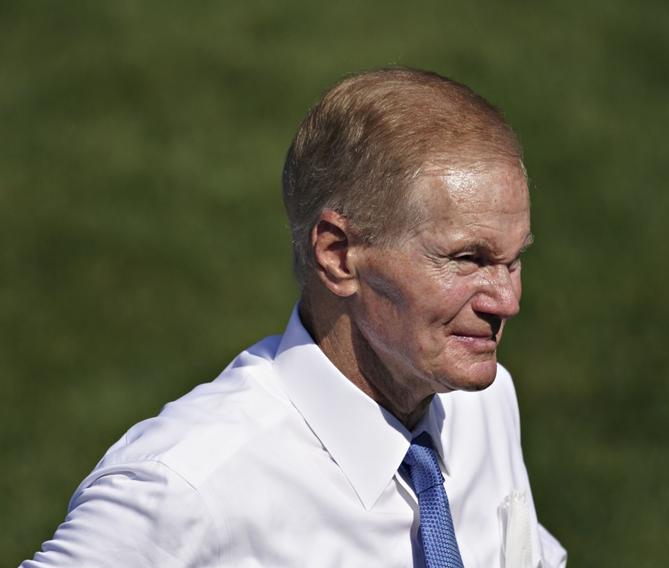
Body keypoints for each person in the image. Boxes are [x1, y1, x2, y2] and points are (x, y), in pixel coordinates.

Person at [23, 67, 567, 567]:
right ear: (337, 255)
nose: (506, 301)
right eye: (467, 259)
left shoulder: (485, 406)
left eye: (513, 260)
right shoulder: (184, 486)